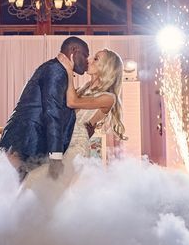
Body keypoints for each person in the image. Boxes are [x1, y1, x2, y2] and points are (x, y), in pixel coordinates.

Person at [0, 37, 89, 182]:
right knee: (30, 189)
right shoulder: (56, 70)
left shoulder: (57, 69)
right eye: (85, 55)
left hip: (28, 137)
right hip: (29, 138)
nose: (87, 61)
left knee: (29, 188)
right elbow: (52, 112)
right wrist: (56, 157)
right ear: (74, 51)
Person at [45, 48, 127, 184]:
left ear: (107, 68)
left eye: (96, 59)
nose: (89, 60)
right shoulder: (84, 89)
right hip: (62, 141)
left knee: (64, 188)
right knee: (51, 185)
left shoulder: (108, 98)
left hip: (77, 145)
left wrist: (68, 71)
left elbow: (72, 102)